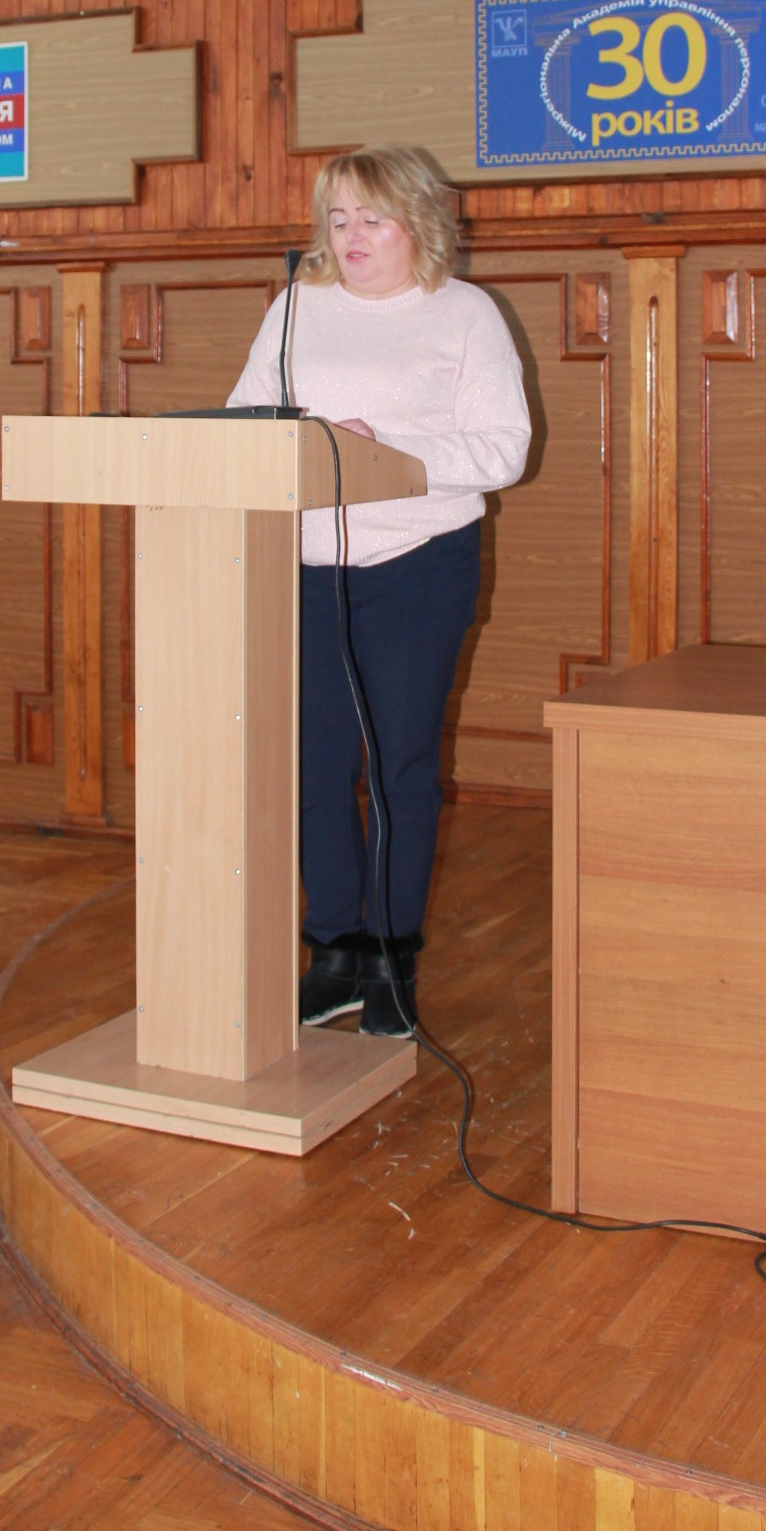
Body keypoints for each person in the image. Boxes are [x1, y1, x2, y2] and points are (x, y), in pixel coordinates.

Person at [227, 146, 531, 1037]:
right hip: (305, 567)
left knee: (399, 768)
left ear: (420, 222)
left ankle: (394, 962)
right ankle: (336, 955)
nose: (349, 236)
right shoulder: (295, 308)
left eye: (371, 218)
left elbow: (504, 450)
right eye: (336, 219)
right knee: (314, 767)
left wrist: (382, 449)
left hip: (418, 565)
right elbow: (245, 418)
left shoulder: (464, 313)